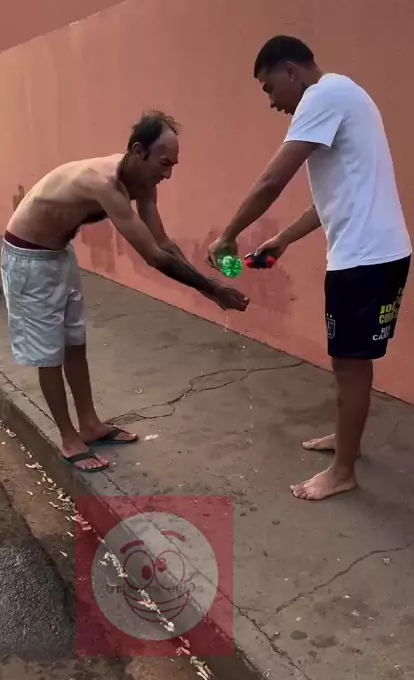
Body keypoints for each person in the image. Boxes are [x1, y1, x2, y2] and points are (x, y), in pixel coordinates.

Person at [208, 36, 411, 501]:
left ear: (291, 72)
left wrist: (228, 235)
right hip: (372, 254)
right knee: (350, 359)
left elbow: (272, 180)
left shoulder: (322, 97)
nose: (272, 102)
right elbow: (334, 197)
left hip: (366, 258)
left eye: (269, 88)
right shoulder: (344, 93)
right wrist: (282, 239)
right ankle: (346, 439)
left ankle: (343, 472)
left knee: (350, 363)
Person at [2, 111, 248, 473]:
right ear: (138, 151)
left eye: (173, 165)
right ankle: (69, 439)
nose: (168, 174)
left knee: (74, 342)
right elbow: (153, 257)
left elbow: (163, 243)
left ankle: (89, 425)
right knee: (49, 354)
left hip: (59, 253)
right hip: (29, 259)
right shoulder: (106, 183)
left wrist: (211, 288)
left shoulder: (144, 184)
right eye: (164, 163)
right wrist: (212, 289)